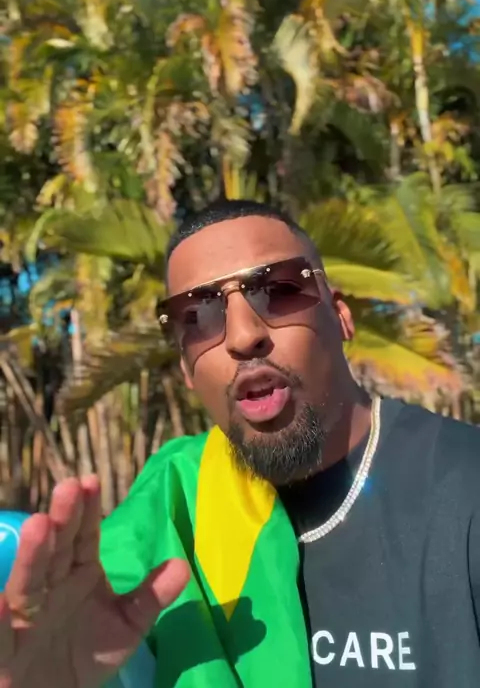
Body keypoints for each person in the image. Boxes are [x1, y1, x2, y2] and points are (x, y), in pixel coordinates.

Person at [1, 198, 480, 688]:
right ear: (186, 369)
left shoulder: (465, 490)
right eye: (198, 315)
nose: (243, 336)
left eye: (280, 290)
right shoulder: (171, 517)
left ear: (340, 317)